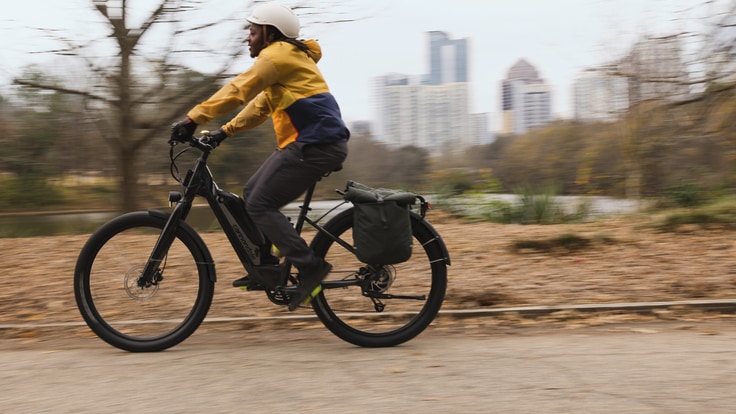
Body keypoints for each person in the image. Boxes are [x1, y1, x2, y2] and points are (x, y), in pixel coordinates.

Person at [170, 3, 350, 311]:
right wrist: (222, 132)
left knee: (259, 203)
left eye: (252, 32)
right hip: (311, 143)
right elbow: (259, 105)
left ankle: (310, 267)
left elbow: (240, 88)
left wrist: (193, 119)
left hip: (316, 143)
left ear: (268, 33)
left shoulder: (277, 55)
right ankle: (265, 266)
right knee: (253, 193)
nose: (248, 38)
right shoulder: (287, 61)